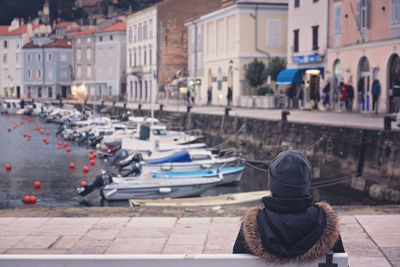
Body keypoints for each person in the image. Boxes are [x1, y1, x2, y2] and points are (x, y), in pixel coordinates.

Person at [233, 150, 343, 263]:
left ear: (272, 184)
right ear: (305, 184)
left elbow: (236, 263)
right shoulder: (325, 222)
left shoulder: (255, 224)